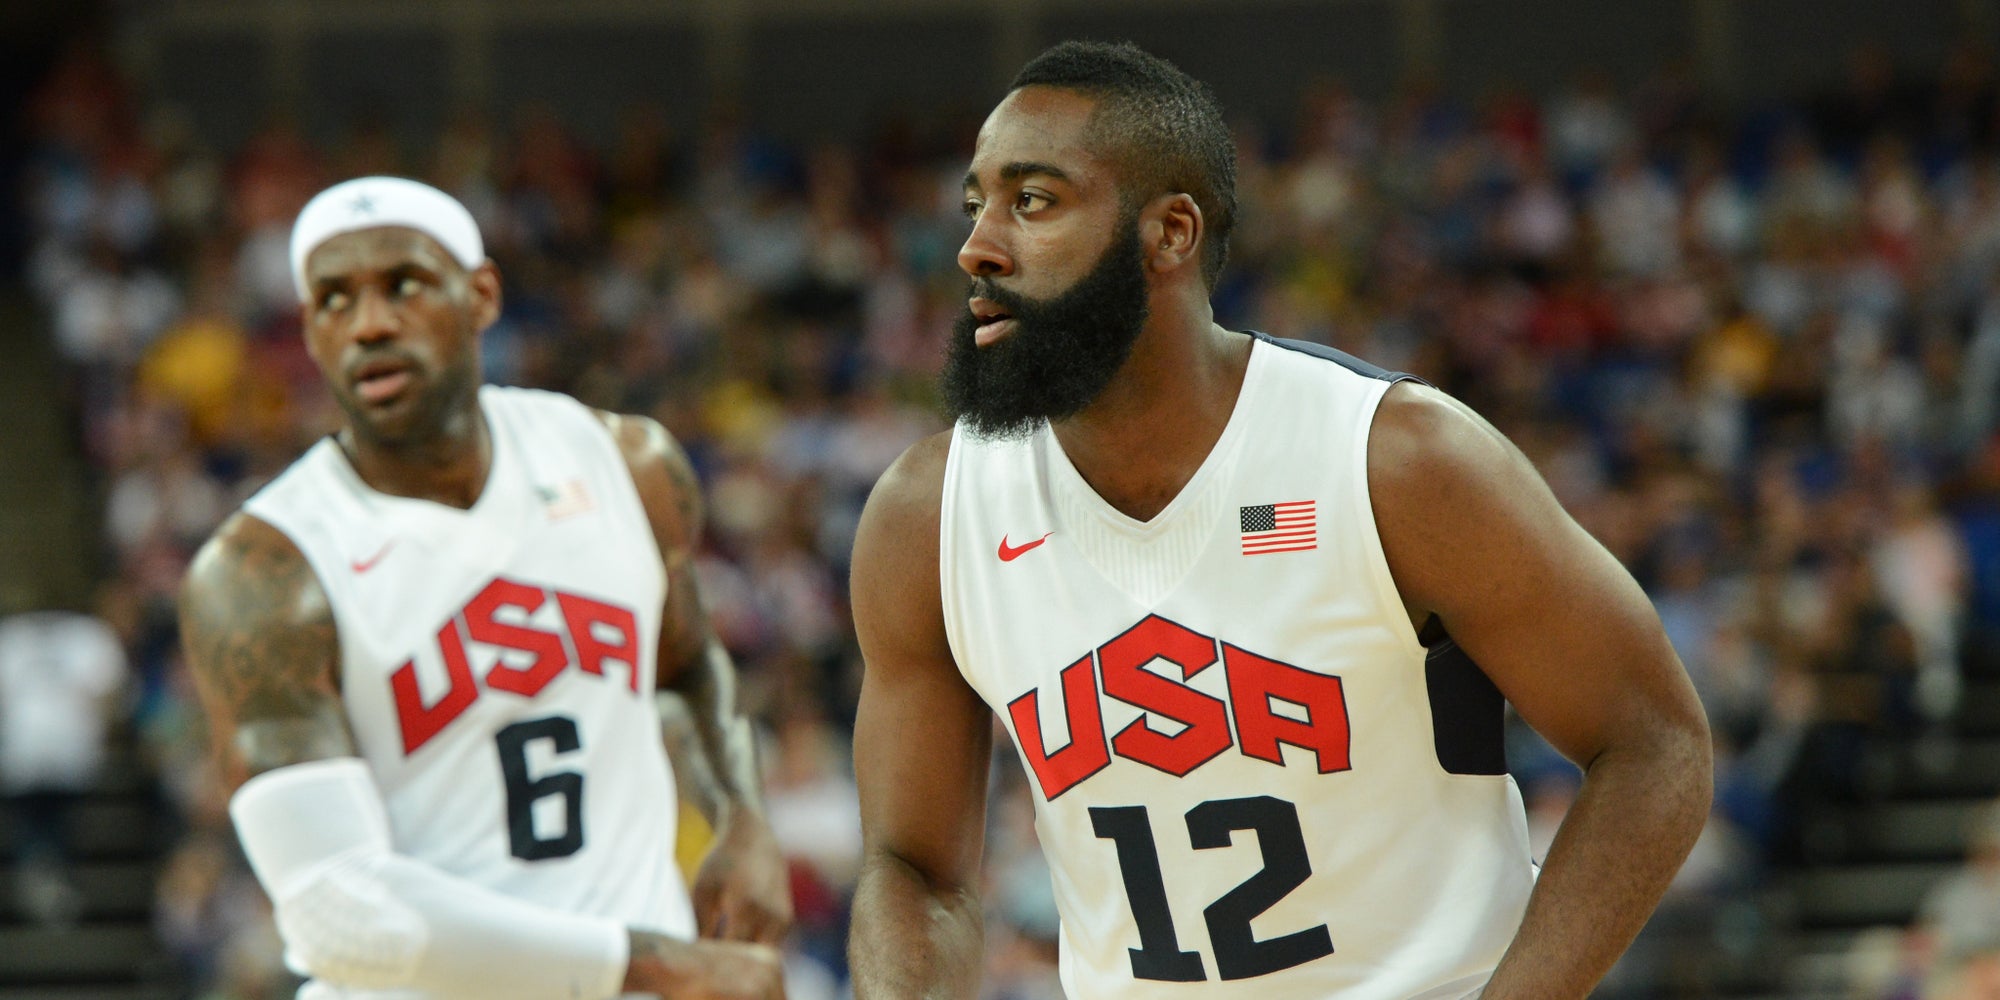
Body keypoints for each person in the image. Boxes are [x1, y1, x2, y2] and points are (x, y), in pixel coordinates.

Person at [846, 41, 1712, 999]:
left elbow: (1655, 745)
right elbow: (913, 870)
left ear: (1170, 232)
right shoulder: (929, 519)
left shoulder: (1395, 462)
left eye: (1034, 200)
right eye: (976, 204)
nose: (977, 246)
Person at [178, 176, 790, 1000]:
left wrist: (742, 819)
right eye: (333, 301)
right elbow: (341, 913)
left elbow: (684, 663)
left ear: (482, 295)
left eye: (404, 285)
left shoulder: (624, 464)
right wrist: (661, 963)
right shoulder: (264, 570)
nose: (370, 324)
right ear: (311, 335)